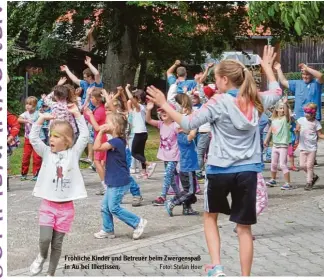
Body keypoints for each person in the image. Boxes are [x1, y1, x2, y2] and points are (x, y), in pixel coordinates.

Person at [146, 45, 282, 276]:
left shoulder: (217, 102)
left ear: (225, 80)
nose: (216, 83)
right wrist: (267, 68)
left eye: (217, 79)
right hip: (249, 171)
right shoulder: (256, 100)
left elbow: (188, 124)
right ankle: (245, 276)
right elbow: (278, 92)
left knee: (210, 217)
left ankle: (217, 267)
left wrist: (164, 103)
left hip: (219, 169)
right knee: (244, 228)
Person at [29, 103, 89, 276]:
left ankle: (50, 274)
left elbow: (84, 136)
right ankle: (41, 256)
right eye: (50, 136)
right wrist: (40, 119)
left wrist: (78, 115)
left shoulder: (74, 153)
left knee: (57, 244)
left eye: (56, 136)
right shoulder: (46, 152)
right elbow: (34, 138)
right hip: (48, 205)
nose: (51, 139)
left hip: (66, 209)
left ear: (67, 140)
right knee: (45, 239)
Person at [93, 113, 147, 240]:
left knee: (114, 208)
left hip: (119, 181)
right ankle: (107, 230)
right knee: (105, 207)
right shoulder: (117, 141)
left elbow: (97, 147)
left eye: (108, 122)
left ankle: (138, 222)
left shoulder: (116, 142)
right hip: (113, 180)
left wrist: (100, 132)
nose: (105, 124)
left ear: (116, 126)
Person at [274, 62, 323, 166]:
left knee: (312, 138)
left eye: (307, 74)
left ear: (311, 74)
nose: (305, 76)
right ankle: (301, 157)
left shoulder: (317, 84)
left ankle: (311, 157)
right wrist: (278, 69)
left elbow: (321, 75)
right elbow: (283, 81)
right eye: (303, 74)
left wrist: (307, 68)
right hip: (300, 116)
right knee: (299, 138)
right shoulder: (297, 83)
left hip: (314, 116)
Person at [60, 56, 103, 168]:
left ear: (90, 77)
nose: (84, 79)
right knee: (82, 136)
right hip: (83, 112)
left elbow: (97, 73)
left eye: (86, 77)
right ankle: (91, 159)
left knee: (89, 135)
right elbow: (75, 79)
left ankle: (90, 158)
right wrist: (67, 70)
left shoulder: (97, 84)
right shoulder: (85, 84)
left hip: (93, 112)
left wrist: (89, 64)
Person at [165, 94, 199, 216]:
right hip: (186, 166)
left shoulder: (183, 133)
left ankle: (187, 208)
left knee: (191, 189)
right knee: (189, 191)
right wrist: (195, 126)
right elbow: (192, 135)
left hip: (190, 166)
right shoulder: (182, 136)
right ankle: (172, 201)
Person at [146, 101, 181, 206]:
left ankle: (162, 196)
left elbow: (185, 131)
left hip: (174, 156)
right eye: (162, 112)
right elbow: (148, 120)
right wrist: (148, 109)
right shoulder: (160, 124)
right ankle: (179, 195)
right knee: (170, 178)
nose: (163, 113)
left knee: (167, 175)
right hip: (165, 156)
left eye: (166, 111)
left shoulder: (175, 126)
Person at [125, 84, 156, 179]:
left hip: (139, 133)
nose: (132, 99)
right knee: (141, 153)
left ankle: (149, 164)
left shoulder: (140, 107)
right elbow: (129, 105)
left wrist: (126, 89)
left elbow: (130, 99)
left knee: (134, 153)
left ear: (138, 99)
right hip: (142, 132)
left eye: (135, 98)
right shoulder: (138, 108)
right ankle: (144, 172)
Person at [264, 97, 293, 190]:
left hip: (283, 146)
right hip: (275, 145)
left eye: (283, 108)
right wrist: (266, 140)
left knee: (283, 164)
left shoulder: (286, 120)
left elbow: (287, 113)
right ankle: (273, 179)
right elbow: (270, 131)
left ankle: (288, 183)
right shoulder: (274, 120)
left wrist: (285, 104)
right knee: (273, 164)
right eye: (280, 108)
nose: (282, 110)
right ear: (276, 109)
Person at [84, 88, 108, 195]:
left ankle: (105, 184)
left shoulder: (100, 110)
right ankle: (106, 183)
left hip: (101, 139)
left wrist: (88, 115)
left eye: (92, 97)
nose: (91, 99)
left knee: (97, 161)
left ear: (98, 99)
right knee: (101, 162)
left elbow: (95, 124)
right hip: (100, 138)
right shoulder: (99, 108)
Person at [295, 102, 324, 190]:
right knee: (302, 165)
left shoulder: (316, 123)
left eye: (309, 113)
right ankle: (314, 176)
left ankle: (309, 182)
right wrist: (296, 133)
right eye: (305, 112)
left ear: (313, 113)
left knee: (309, 166)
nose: (306, 114)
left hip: (312, 148)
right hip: (303, 147)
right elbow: (297, 130)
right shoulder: (301, 120)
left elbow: (320, 135)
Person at [18, 96, 43, 181]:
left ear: (35, 105)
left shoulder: (38, 113)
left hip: (36, 139)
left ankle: (36, 174)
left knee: (37, 157)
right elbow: (19, 119)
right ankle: (24, 173)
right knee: (26, 156)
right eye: (27, 104)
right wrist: (27, 121)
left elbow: (44, 117)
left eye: (30, 104)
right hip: (28, 139)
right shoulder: (25, 114)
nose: (28, 106)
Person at [7, 111, 21, 191]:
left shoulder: (7, 114)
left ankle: (5, 183)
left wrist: (11, 136)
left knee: (5, 164)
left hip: (6, 143)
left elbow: (16, 125)